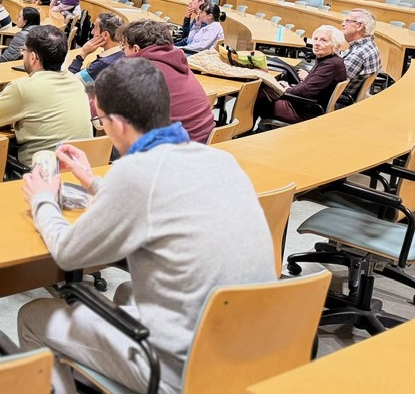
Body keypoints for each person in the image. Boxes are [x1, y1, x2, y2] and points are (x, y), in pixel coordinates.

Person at [17, 58, 273, 394]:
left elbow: (67, 252)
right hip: (254, 348)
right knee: (127, 292)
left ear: (118, 124)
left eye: (101, 120)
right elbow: (156, 201)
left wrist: (43, 199)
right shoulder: (219, 159)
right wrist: (92, 181)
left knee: (34, 316)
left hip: (187, 369)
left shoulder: (136, 173)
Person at [0, 25, 92, 164]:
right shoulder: (76, 83)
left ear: (33, 58)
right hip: (79, 168)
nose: (22, 54)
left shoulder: (23, 88)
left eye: (24, 50)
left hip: (41, 172)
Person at [118, 20, 215, 143]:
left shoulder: (139, 70)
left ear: (136, 49)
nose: (123, 52)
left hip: (175, 149)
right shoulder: (178, 62)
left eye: (125, 47)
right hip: (207, 143)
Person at [256, 25, 348, 124]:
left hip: (304, 111)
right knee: (266, 90)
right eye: (316, 39)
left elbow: (306, 91)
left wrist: (287, 89)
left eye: (323, 40)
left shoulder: (330, 64)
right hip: (305, 105)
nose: (317, 43)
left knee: (257, 96)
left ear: (335, 45)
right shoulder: (330, 60)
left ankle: (248, 130)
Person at [67, 12, 125, 84]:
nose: (92, 32)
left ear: (105, 35)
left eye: (95, 28)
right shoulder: (125, 53)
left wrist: (82, 54)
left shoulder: (102, 64)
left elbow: (69, 82)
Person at [339, 8, 382, 105]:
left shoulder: (359, 54)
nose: (342, 24)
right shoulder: (370, 46)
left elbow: (330, 83)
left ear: (359, 26)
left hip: (336, 102)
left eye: (347, 21)